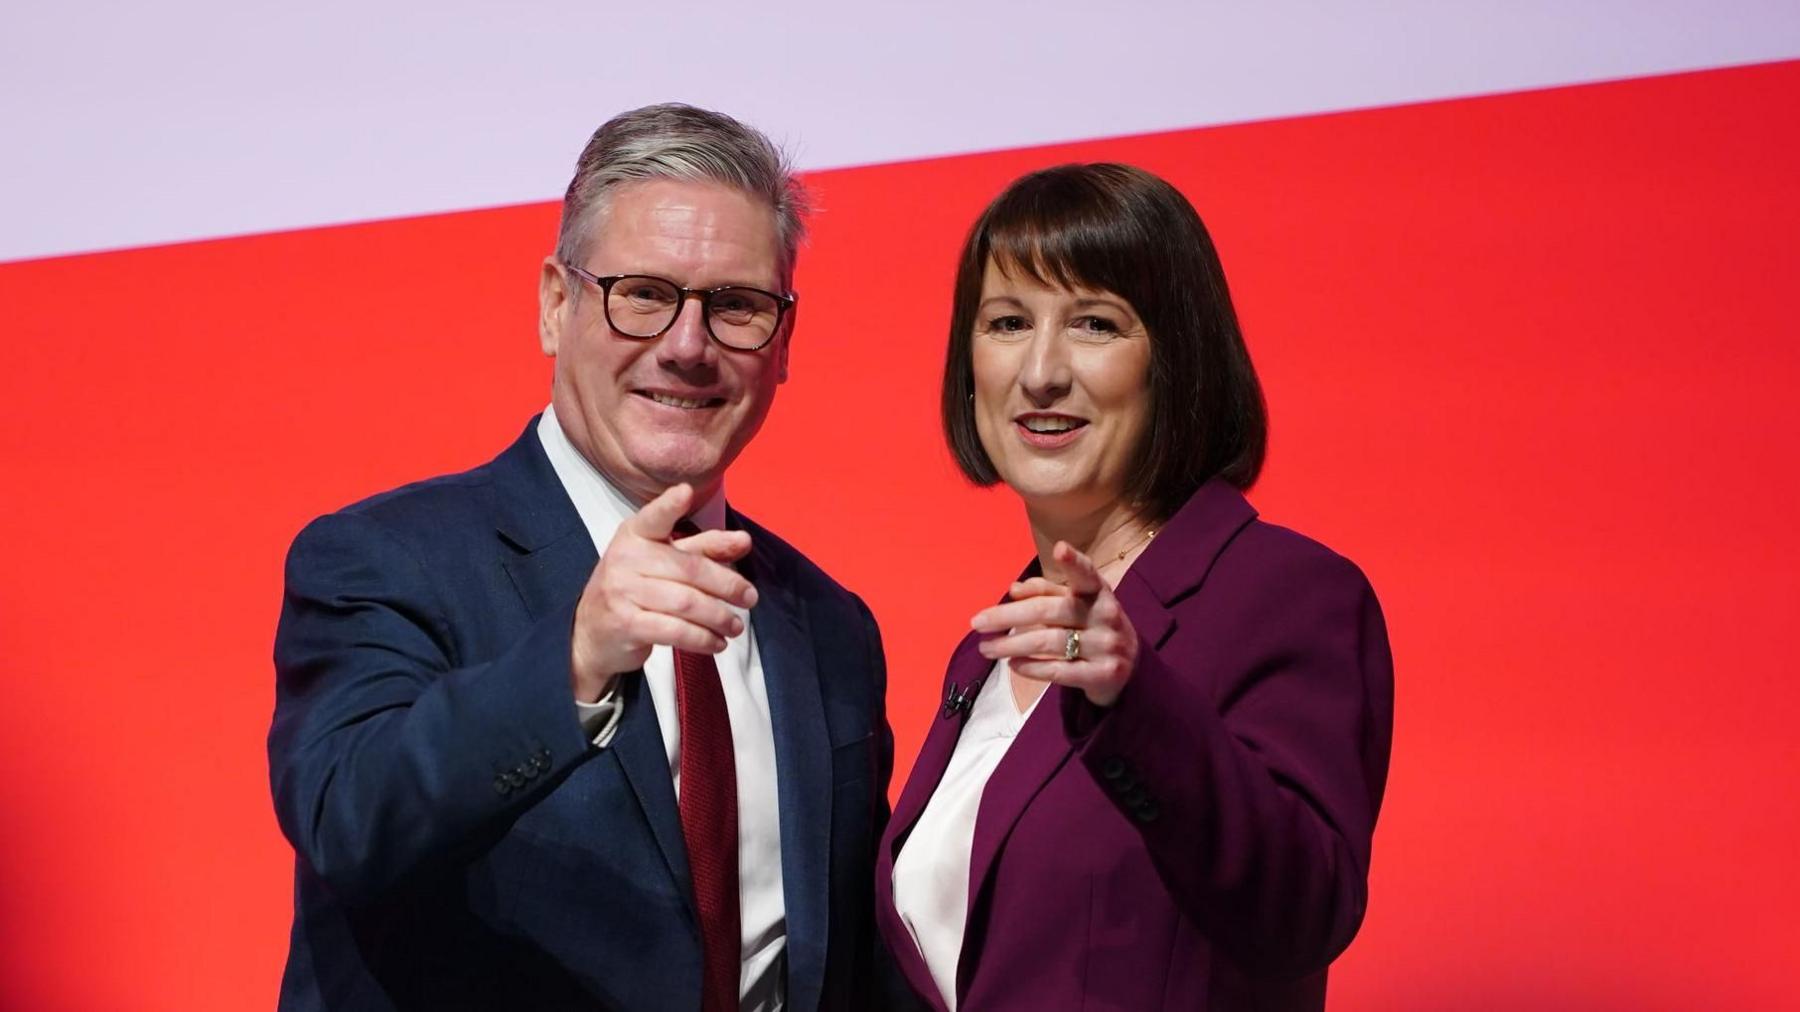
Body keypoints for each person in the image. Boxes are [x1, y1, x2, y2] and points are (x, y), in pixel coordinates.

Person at [268, 103, 893, 1011]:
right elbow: (349, 818)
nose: (687, 346)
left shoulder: (830, 627)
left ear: (784, 343)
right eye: (642, 293)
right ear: (557, 305)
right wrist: (576, 658)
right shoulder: (382, 560)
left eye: (737, 307)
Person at [875, 164, 1394, 1011]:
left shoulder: (1289, 596)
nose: (1040, 371)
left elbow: (1304, 911)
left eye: (1094, 324)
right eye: (1007, 322)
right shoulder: (987, 647)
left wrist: (1137, 699)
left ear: (1177, 361)